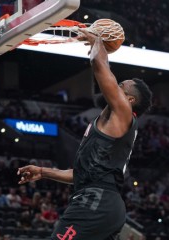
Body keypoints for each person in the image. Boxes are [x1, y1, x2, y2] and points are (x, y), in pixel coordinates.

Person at [17, 27, 153, 240]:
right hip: (100, 202)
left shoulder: (125, 113)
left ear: (130, 100)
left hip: (96, 201)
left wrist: (97, 42)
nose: (114, 86)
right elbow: (80, 174)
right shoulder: (106, 123)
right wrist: (43, 172)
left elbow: (100, 67)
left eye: (120, 86)